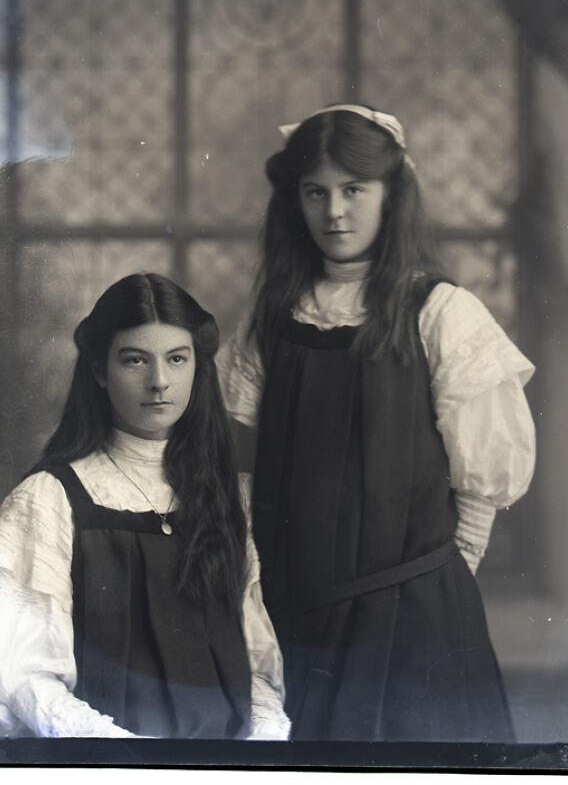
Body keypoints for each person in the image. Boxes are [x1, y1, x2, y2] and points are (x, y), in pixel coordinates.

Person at [216, 103, 536, 742]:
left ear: (392, 195)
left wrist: (440, 587)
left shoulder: (441, 313)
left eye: (354, 189)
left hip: (413, 614)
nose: (335, 212)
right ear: (296, 202)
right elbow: (244, 461)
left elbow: (481, 482)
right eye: (317, 192)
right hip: (295, 613)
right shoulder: (273, 321)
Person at [0, 273, 291, 739]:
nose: (159, 381)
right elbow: (23, 678)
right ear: (101, 370)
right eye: (135, 360)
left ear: (196, 367)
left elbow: (256, 668)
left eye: (177, 359)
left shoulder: (229, 496)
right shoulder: (49, 498)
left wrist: (258, 745)